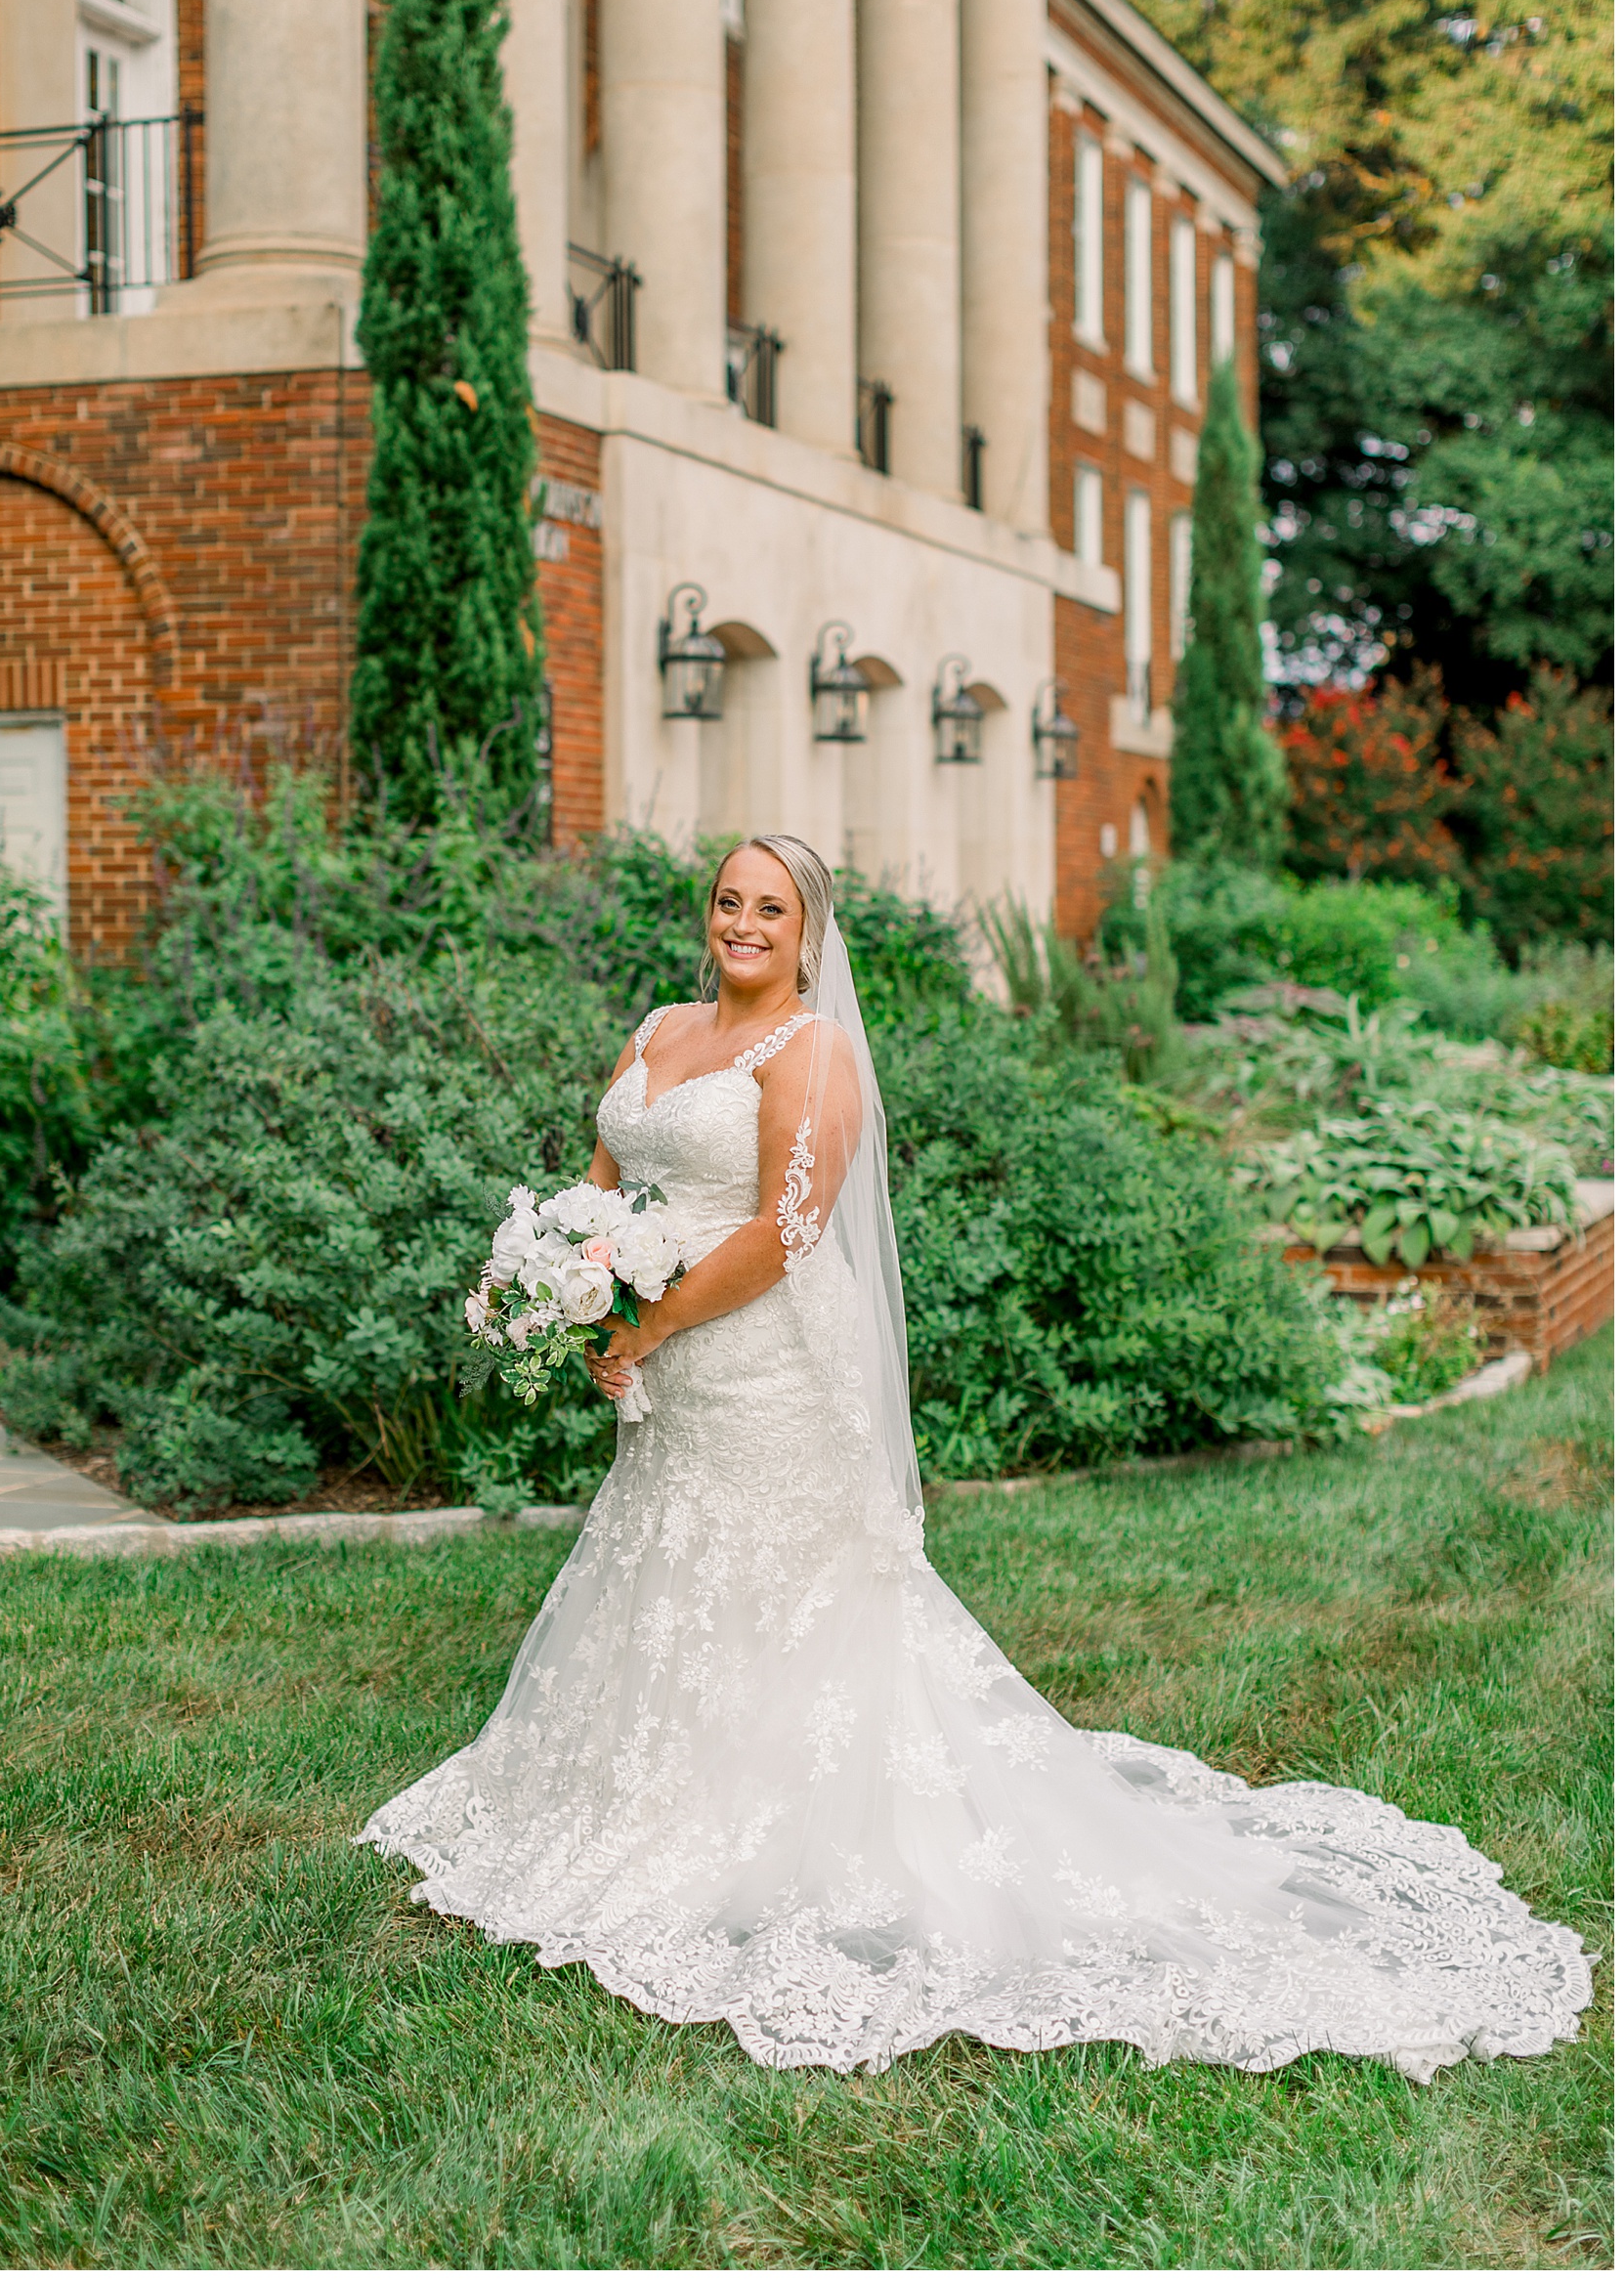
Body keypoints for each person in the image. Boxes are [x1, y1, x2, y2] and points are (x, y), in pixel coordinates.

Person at [358, 835, 1593, 2079]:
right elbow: (609, 1177)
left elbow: (785, 1234)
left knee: (793, 1583)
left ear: (808, 931)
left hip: (763, 1355)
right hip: (666, 1359)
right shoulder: (660, 1024)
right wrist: (580, 1288)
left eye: (769, 908)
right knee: (674, 1551)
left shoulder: (812, 1051)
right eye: (729, 900)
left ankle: (784, 1820)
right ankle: (646, 1785)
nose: (743, 922)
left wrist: (650, 1317)